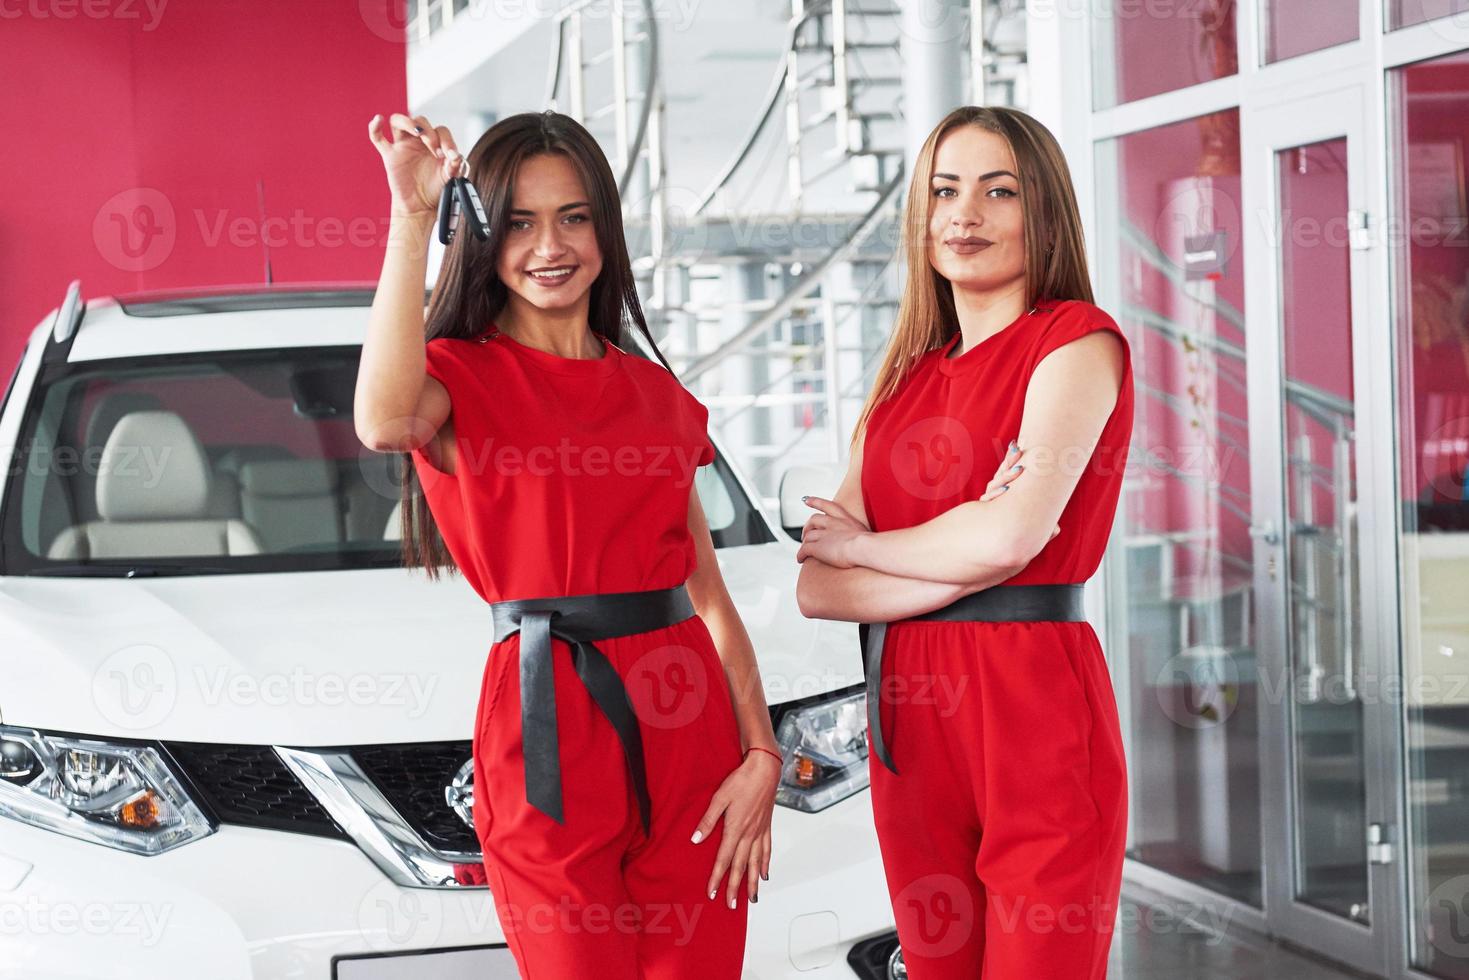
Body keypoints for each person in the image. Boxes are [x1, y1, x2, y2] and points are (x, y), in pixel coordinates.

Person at [355, 108, 782, 980]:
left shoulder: (656, 394)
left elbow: (706, 596)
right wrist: (409, 219)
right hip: (545, 715)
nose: (548, 246)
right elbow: (383, 418)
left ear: (604, 230)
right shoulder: (456, 377)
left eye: (573, 217)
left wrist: (762, 753)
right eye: (518, 221)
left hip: (686, 715)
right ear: (481, 235)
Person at [794, 105, 1134, 979]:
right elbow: (817, 589)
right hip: (910, 718)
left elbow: (1012, 536)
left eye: (998, 190)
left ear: (1043, 210)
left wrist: (867, 547)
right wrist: (966, 546)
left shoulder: (1074, 341)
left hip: (1033, 706)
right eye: (945, 190)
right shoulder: (903, 380)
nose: (964, 214)